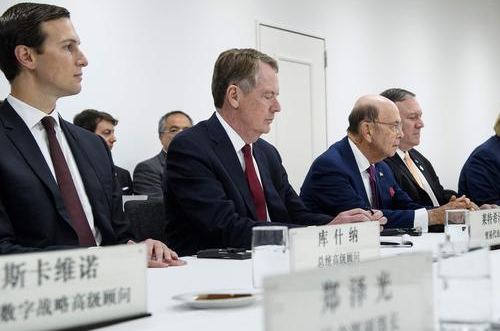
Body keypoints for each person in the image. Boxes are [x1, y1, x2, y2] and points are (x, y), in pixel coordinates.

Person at [0, 2, 184, 267]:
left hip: (113, 290)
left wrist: (137, 249)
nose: (82, 59)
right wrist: (99, 260)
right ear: (27, 57)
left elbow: (118, 236)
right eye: (68, 47)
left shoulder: (92, 145)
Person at [164, 48, 385, 255]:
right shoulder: (191, 148)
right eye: (268, 96)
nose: (277, 106)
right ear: (234, 96)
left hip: (273, 261)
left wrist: (338, 224)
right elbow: (226, 228)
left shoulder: (266, 152)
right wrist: (319, 233)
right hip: (214, 274)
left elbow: (296, 213)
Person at [300, 95, 477, 231]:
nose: (400, 134)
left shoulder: (381, 165)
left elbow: (407, 206)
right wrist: (436, 215)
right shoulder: (331, 166)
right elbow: (367, 219)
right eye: (394, 126)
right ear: (367, 130)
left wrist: (451, 211)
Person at [380, 88, 458, 207]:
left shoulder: (418, 158)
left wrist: (459, 201)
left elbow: (437, 195)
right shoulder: (382, 162)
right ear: (392, 121)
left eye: (420, 116)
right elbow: (402, 209)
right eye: (412, 117)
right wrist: (440, 213)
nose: (420, 124)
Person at [133, 110, 192, 198]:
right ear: (161, 137)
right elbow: (159, 206)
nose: (181, 134)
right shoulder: (148, 169)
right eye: (174, 130)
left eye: (187, 130)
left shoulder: (205, 165)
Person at [73, 109, 133, 195]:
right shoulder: (71, 173)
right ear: (86, 135)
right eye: (107, 133)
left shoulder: (123, 175)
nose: (114, 139)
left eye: (113, 132)